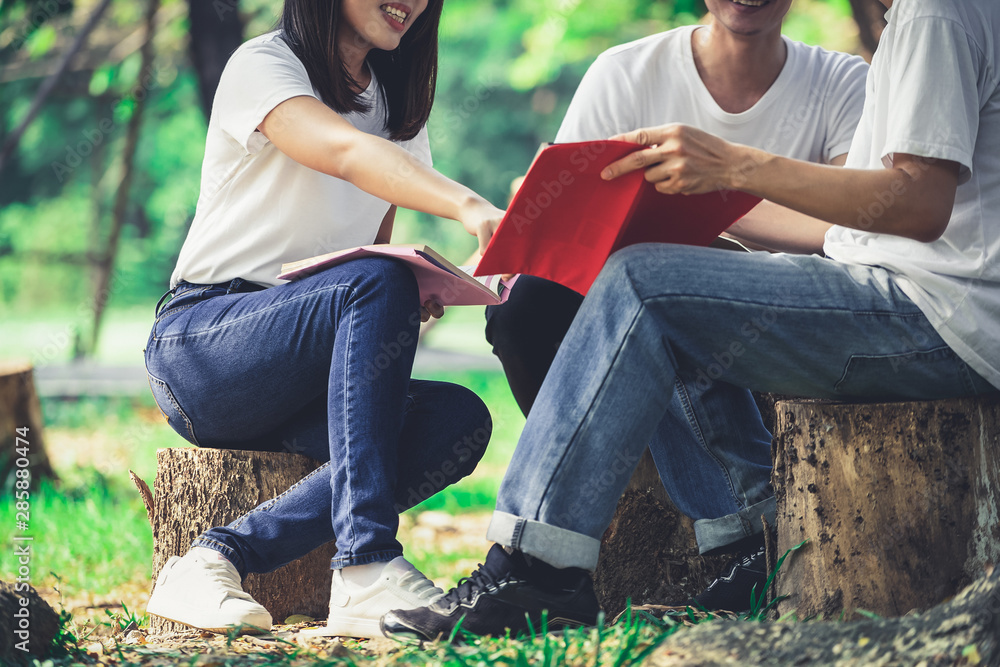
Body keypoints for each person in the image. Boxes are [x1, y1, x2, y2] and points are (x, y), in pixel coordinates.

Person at [384, 0, 1000, 639]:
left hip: (933, 314)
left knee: (645, 284)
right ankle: (752, 547)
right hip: (909, 294)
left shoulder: (936, 12)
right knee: (665, 285)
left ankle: (534, 570)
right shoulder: (917, 16)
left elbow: (921, 202)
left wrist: (731, 169)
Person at [484, 0, 868, 611]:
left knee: (664, 295)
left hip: (775, 308)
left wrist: (714, 207)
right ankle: (566, 527)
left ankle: (745, 542)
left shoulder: (844, 81)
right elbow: (572, 210)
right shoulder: (626, 71)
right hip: (630, 292)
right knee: (526, 307)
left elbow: (851, 229)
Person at [143, 0, 506, 638]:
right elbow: (342, 152)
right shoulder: (263, 64)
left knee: (457, 419)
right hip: (203, 346)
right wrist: (469, 206)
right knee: (376, 280)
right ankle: (366, 563)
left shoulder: (396, 113)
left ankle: (214, 559)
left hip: (305, 373)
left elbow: (373, 254)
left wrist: (417, 298)